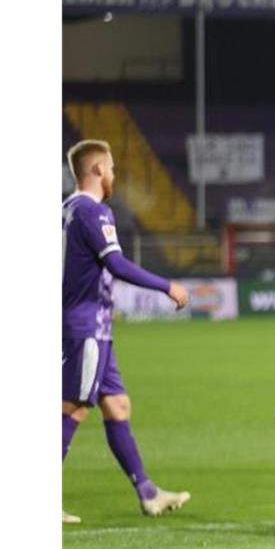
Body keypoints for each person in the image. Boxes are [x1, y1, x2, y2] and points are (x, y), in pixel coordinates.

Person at [62, 140, 192, 522]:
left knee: (117, 405)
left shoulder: (65, 210)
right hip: (85, 326)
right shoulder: (94, 211)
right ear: (99, 169)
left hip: (91, 325)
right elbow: (116, 263)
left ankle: (148, 493)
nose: (115, 175)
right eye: (113, 168)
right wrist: (167, 286)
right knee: (73, 406)